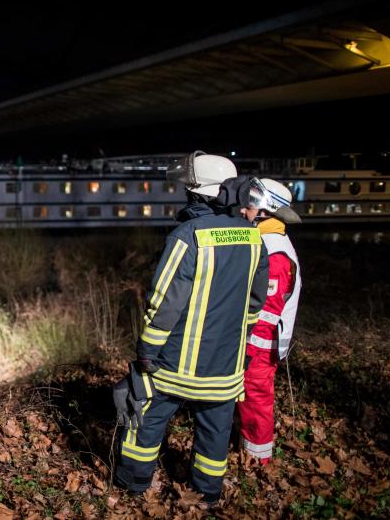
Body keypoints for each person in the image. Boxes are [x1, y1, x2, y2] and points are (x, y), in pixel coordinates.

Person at [114, 151, 269, 504]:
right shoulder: (252, 238)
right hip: (225, 368)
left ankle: (134, 485)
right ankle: (208, 494)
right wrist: (239, 346)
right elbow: (254, 304)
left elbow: (165, 301)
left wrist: (147, 350)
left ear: (196, 192)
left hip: (175, 366)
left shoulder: (188, 235)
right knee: (214, 435)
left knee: (147, 421)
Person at [237, 178, 302, 464]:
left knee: (256, 401)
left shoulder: (274, 250)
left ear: (266, 209)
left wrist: (247, 350)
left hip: (261, 346)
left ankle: (258, 460)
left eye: (250, 203)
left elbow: (265, 313)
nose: (243, 208)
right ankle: (246, 449)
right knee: (246, 401)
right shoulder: (265, 240)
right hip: (255, 343)